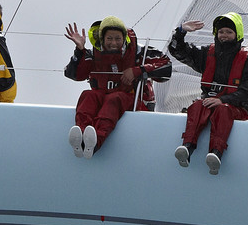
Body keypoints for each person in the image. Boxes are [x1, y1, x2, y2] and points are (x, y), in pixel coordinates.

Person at [64, 15, 172, 157]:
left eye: (117, 38)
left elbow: (166, 66)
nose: (113, 42)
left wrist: (137, 71)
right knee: (88, 95)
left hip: (132, 100)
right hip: (102, 96)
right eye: (109, 38)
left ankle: (96, 141)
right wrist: (80, 49)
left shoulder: (139, 52)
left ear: (124, 38)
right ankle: (82, 136)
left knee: (115, 99)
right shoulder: (93, 54)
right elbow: (73, 74)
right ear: (102, 38)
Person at [168, 12, 248, 175]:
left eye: (229, 32)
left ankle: (216, 154)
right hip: (209, 103)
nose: (224, 35)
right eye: (221, 31)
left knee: (223, 110)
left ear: (237, 34)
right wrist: (181, 32)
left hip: (237, 107)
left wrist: (223, 100)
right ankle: (187, 148)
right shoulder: (207, 54)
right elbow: (178, 51)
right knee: (197, 105)